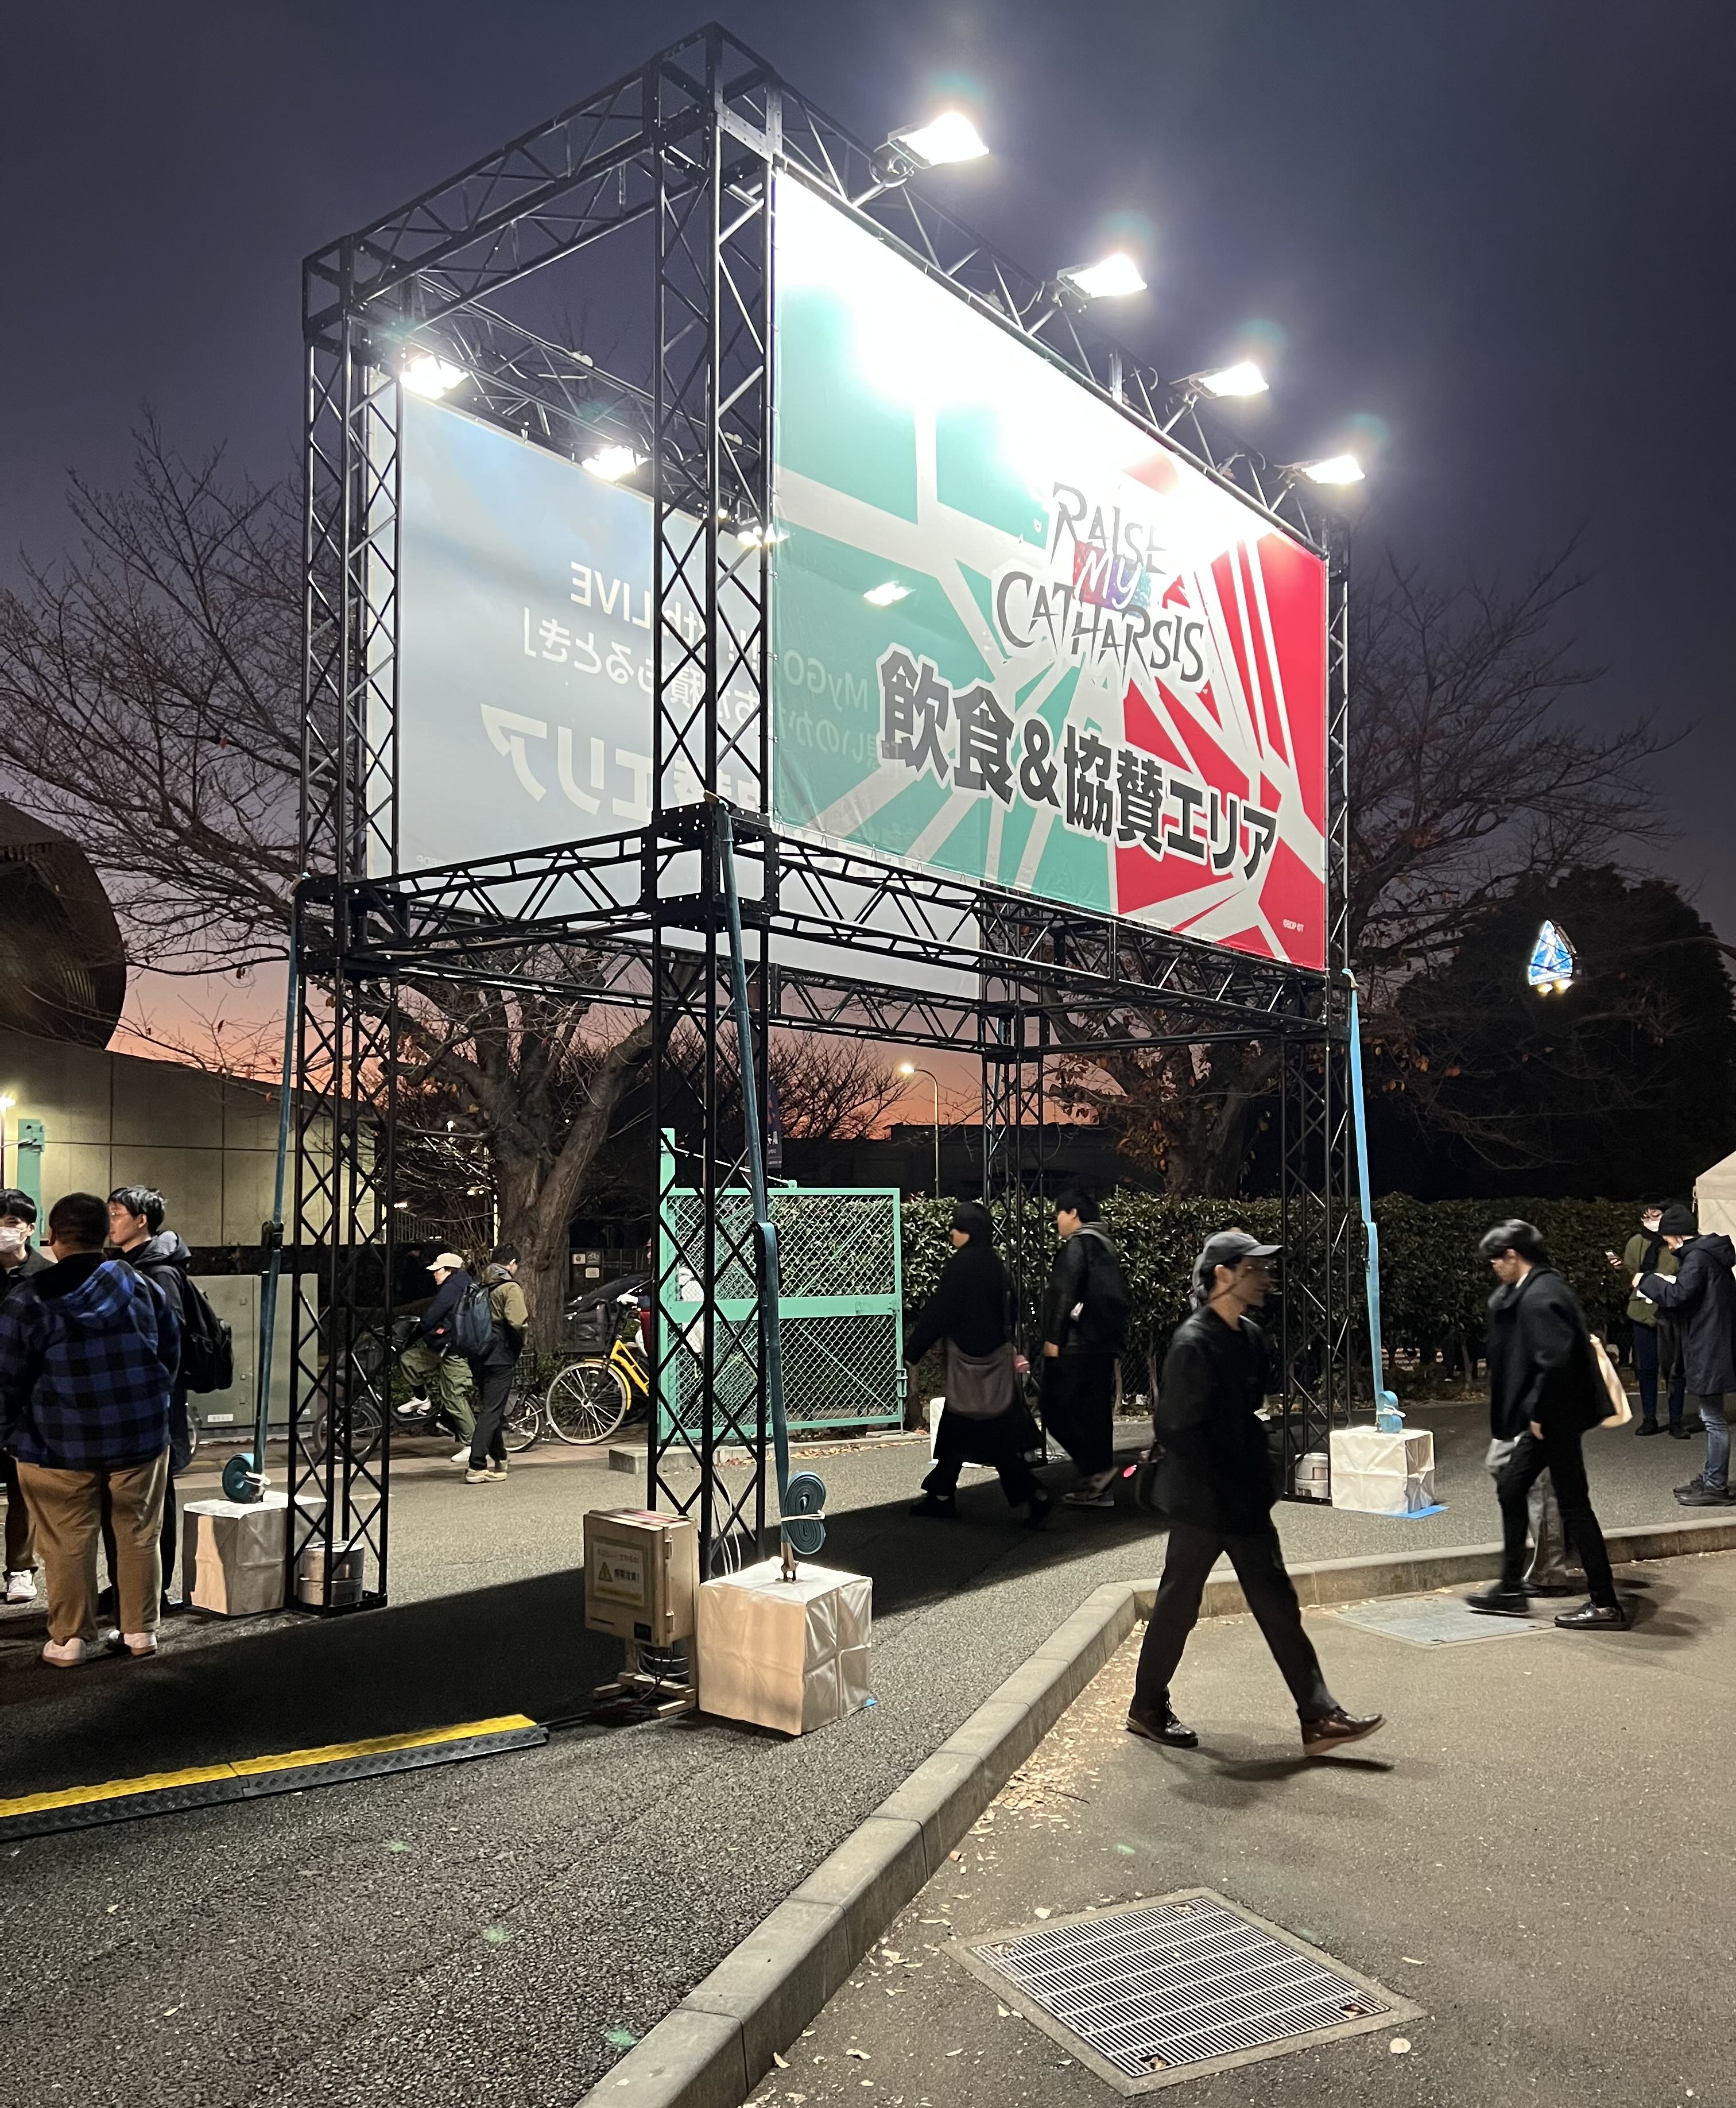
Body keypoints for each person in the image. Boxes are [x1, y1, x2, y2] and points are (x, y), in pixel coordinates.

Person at [1128, 1229, 1384, 1754]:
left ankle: (1318, 1715)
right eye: (1255, 1268)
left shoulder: (1249, 1336)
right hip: (1204, 1501)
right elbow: (1174, 1428)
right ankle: (1147, 1707)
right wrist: (1235, 1473)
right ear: (1223, 1275)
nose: (1267, 1278)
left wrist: (1258, 1471)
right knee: (1181, 1605)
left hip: (1238, 1499)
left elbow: (1249, 1414)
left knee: (1274, 1602)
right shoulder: (1192, 1343)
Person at [0, 1192, 176, 1666]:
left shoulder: (28, 1299)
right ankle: (140, 1632)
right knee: (138, 1533)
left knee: (67, 1540)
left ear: (53, 1238)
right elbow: (170, 1352)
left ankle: (71, 1640)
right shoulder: (141, 1286)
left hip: (57, 1443)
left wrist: (9, 1433)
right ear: (103, 1237)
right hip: (140, 1436)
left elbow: (7, 1378)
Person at [1467, 1219, 1627, 1628]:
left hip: (1553, 1418)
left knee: (1571, 1503)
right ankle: (1511, 1589)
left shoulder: (1541, 1296)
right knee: (1515, 1488)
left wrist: (1538, 1413)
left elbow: (1555, 1361)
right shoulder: (1541, 1287)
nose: (1493, 1267)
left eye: (1495, 1260)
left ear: (1512, 1255)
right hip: (1553, 1416)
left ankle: (1604, 1604)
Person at [904, 1200, 1050, 1529]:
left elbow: (941, 1311)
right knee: (971, 1430)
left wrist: (914, 1350)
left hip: (968, 1366)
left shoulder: (962, 1265)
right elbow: (1013, 1308)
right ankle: (942, 1493)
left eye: (956, 1228)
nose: (952, 1233)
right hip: (995, 1364)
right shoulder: (994, 1263)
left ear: (968, 1232)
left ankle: (1032, 1494)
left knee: (975, 1431)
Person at [106, 1185, 195, 1607]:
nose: (111, 1222)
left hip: (154, 1401)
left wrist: (151, 1390)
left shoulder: (159, 1272)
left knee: (157, 1497)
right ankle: (130, 1586)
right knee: (134, 1499)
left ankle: (153, 1590)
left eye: (117, 1213)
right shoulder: (127, 1265)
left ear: (142, 1220)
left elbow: (170, 1337)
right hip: (136, 1398)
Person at [1635, 1203, 1736, 1507]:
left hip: (1708, 1345)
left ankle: (1715, 1485)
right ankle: (1711, 1478)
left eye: (1667, 1237)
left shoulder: (1697, 1258)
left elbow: (1679, 1296)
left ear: (1677, 1235)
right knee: (1712, 1417)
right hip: (1714, 1341)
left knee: (1714, 1420)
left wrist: (1646, 1281)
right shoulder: (1709, 1255)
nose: (1666, 1243)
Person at [1040, 1190, 1129, 1509]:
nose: (1057, 1221)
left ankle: (1096, 1474)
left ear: (1073, 1213)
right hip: (1103, 1345)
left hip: (1076, 1344)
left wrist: (1053, 1338)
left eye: (1059, 1214)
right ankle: (1100, 1488)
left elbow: (1065, 1291)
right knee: (1096, 1416)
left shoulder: (1078, 1245)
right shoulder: (1106, 1245)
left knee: (1053, 1409)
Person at [0, 1187, 50, 1604]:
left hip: (28, 1402)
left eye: (11, 1222)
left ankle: (20, 1569)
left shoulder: (45, 1277)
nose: (3, 1230)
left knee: (24, 1489)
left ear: (30, 1228)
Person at [1608, 1201, 1686, 1437]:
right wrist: (1620, 1270)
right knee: (1646, 1368)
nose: (1651, 1220)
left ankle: (1676, 1421)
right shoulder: (1636, 1242)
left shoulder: (1676, 1241)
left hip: (1670, 1310)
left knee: (1674, 1369)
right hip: (1641, 1311)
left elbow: (1685, 1274)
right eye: (1646, 1216)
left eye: (1656, 1215)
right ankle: (1649, 1418)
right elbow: (1629, 1278)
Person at [401, 1252, 478, 1464]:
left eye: (438, 1270)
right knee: (409, 1361)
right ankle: (422, 1400)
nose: (434, 1274)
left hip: (454, 1351)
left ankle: (473, 1445)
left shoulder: (453, 1288)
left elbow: (431, 1318)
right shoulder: (459, 1285)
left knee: (453, 1396)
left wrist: (411, 1337)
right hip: (442, 1347)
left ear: (450, 1270)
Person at [464, 1243, 528, 1485]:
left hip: (478, 1354)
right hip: (500, 1355)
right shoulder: (509, 1287)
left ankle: (500, 1457)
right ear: (511, 1264)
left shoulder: (481, 1285)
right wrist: (519, 1345)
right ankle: (476, 1465)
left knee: (491, 1408)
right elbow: (517, 1322)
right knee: (491, 1411)